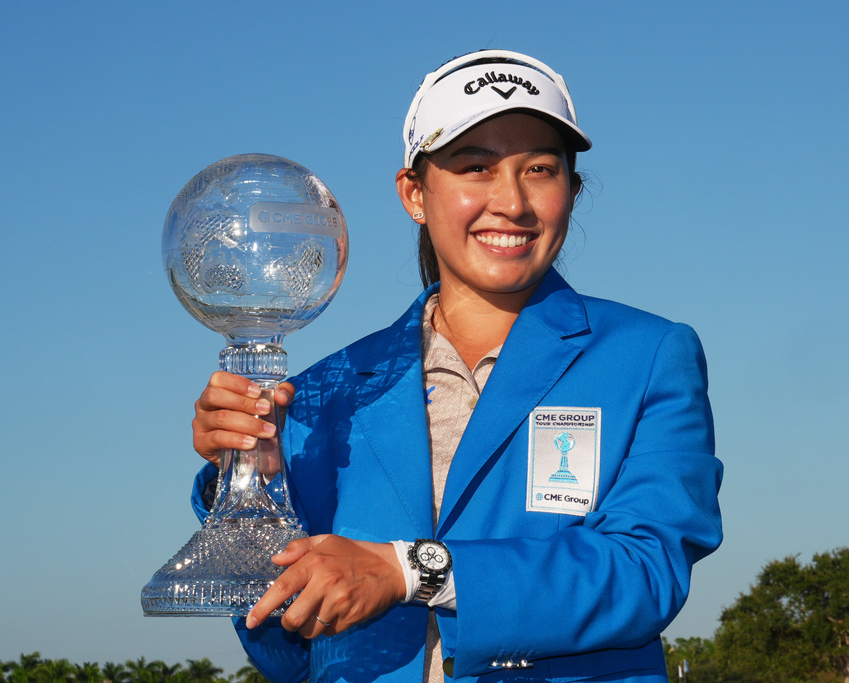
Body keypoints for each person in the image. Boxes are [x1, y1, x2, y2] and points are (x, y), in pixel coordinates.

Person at [190, 49, 723, 683]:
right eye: (475, 167)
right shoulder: (321, 395)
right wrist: (248, 485)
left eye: (541, 169)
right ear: (414, 193)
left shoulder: (647, 356)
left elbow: (644, 570)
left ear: (572, 191)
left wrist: (408, 570)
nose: (513, 202)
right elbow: (283, 653)